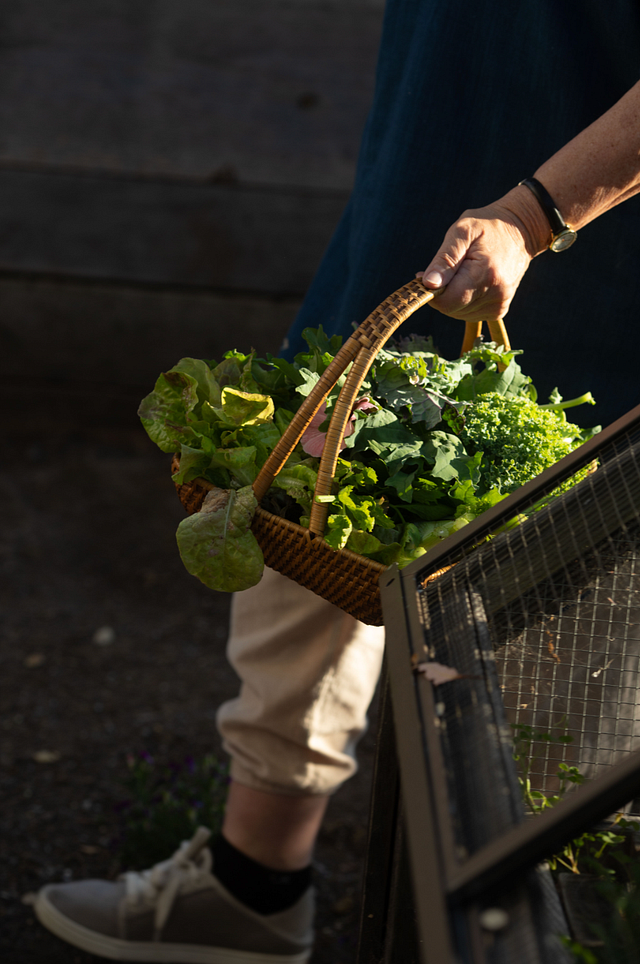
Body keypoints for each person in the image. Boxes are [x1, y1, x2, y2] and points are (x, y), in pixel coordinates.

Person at [34, 3, 640, 962]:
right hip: (425, 199)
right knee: (295, 533)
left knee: (553, 693)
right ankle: (252, 889)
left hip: (589, 248)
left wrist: (532, 217)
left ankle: (544, 939)